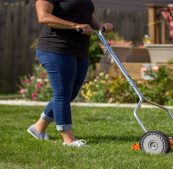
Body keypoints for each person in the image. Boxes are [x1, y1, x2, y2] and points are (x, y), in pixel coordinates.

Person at [27, 0, 113, 147]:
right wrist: (74, 26)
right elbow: (44, 17)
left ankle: (38, 128)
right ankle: (68, 139)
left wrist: (100, 26)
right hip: (55, 49)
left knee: (70, 93)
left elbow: (87, 16)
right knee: (62, 94)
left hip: (79, 50)